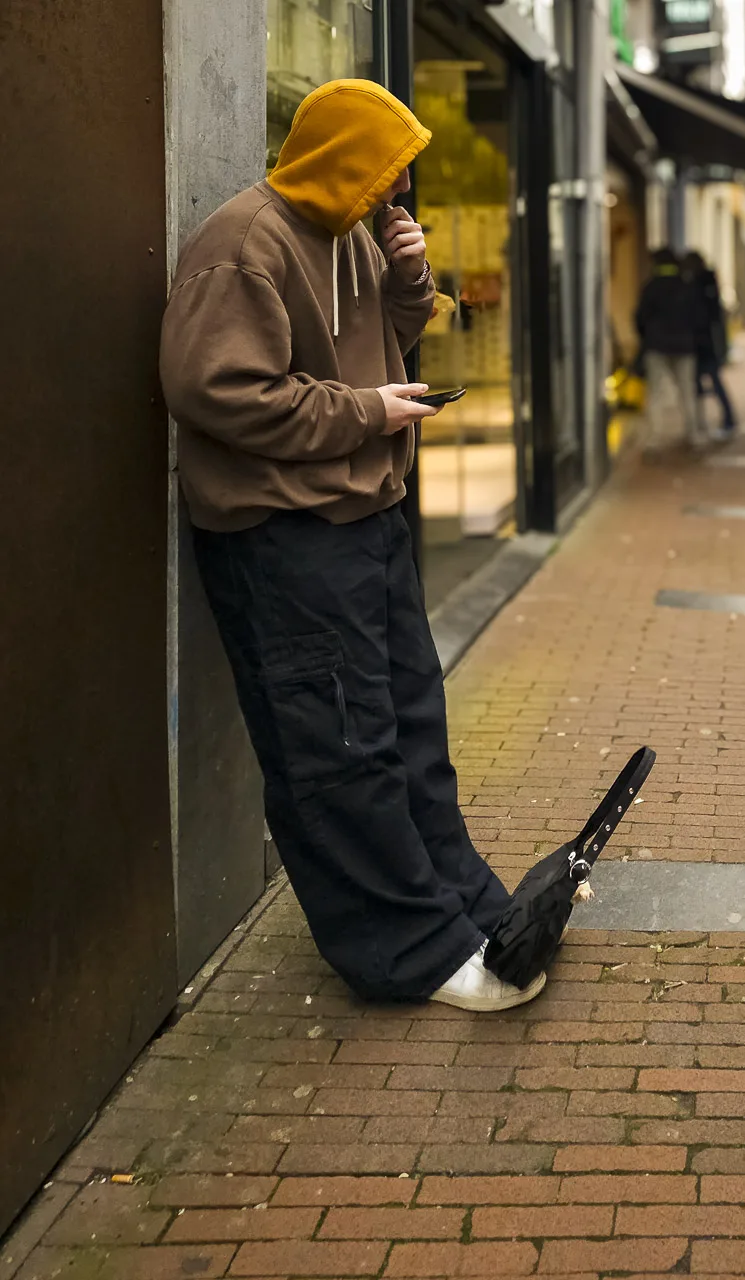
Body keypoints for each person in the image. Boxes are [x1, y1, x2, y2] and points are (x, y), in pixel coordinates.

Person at [159, 80, 543, 1013]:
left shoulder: (356, 236)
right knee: (337, 748)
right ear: (342, 157)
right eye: (388, 169)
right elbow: (217, 391)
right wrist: (367, 413)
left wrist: (409, 282)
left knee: (411, 726)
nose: (399, 189)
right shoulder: (245, 244)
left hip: (367, 519)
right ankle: (407, 953)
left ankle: (464, 907)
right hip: (283, 535)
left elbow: (374, 343)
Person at [635, 247, 707, 446]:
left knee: (656, 393)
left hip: (656, 345)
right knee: (687, 390)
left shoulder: (651, 287)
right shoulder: (686, 286)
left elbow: (640, 317)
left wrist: (646, 338)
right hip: (684, 346)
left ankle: (654, 439)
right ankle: (692, 434)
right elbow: (699, 317)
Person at [682, 251, 737, 437]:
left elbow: (704, 317)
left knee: (706, 383)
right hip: (705, 343)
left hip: (702, 344)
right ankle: (706, 423)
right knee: (708, 383)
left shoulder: (697, 286)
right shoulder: (707, 285)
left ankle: (704, 423)